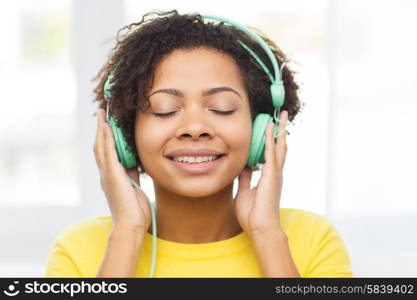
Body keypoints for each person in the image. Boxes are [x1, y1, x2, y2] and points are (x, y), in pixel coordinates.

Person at [44, 10, 353, 278]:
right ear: (124, 134)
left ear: (264, 131)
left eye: (221, 108)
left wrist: (267, 234)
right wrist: (127, 233)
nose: (194, 128)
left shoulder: (311, 240)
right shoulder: (80, 249)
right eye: (164, 109)